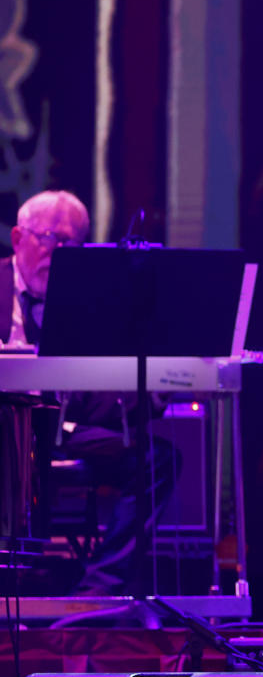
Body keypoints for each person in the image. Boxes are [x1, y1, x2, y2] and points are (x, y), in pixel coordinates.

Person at [1, 190, 178, 595]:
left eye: (71, 244)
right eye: (48, 238)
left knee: (158, 461)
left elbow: (105, 398)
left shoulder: (97, 301)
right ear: (17, 238)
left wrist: (159, 385)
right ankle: (13, 581)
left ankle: (98, 590)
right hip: (8, 429)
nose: (58, 252)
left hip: (69, 430)